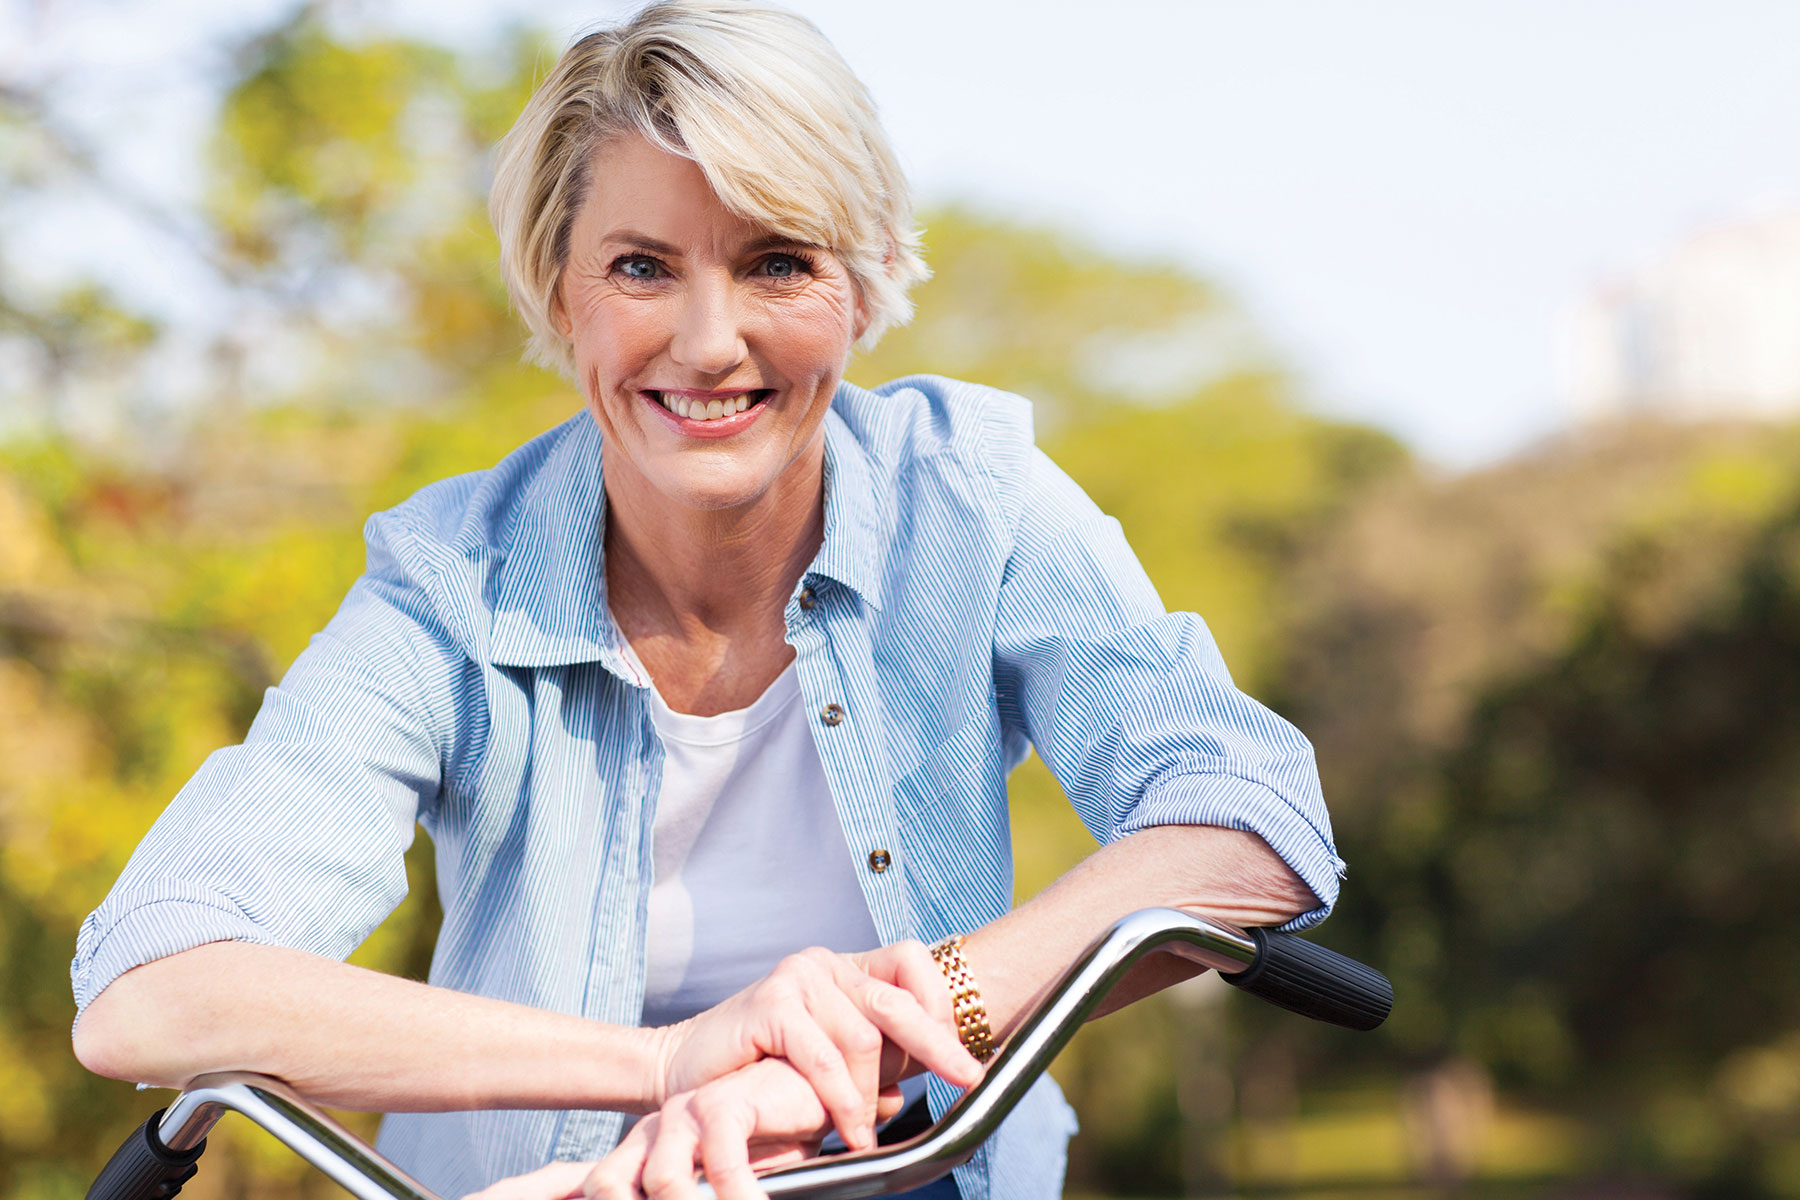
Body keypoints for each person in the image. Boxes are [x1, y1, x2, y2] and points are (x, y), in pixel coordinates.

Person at [69, 4, 1344, 1200]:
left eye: (777, 262)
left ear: (869, 281)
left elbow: (1246, 817)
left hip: (908, 1169)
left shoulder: (972, 497)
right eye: (640, 267)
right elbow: (150, 989)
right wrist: (678, 1064)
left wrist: (895, 1026)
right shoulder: (451, 579)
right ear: (559, 295)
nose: (709, 339)